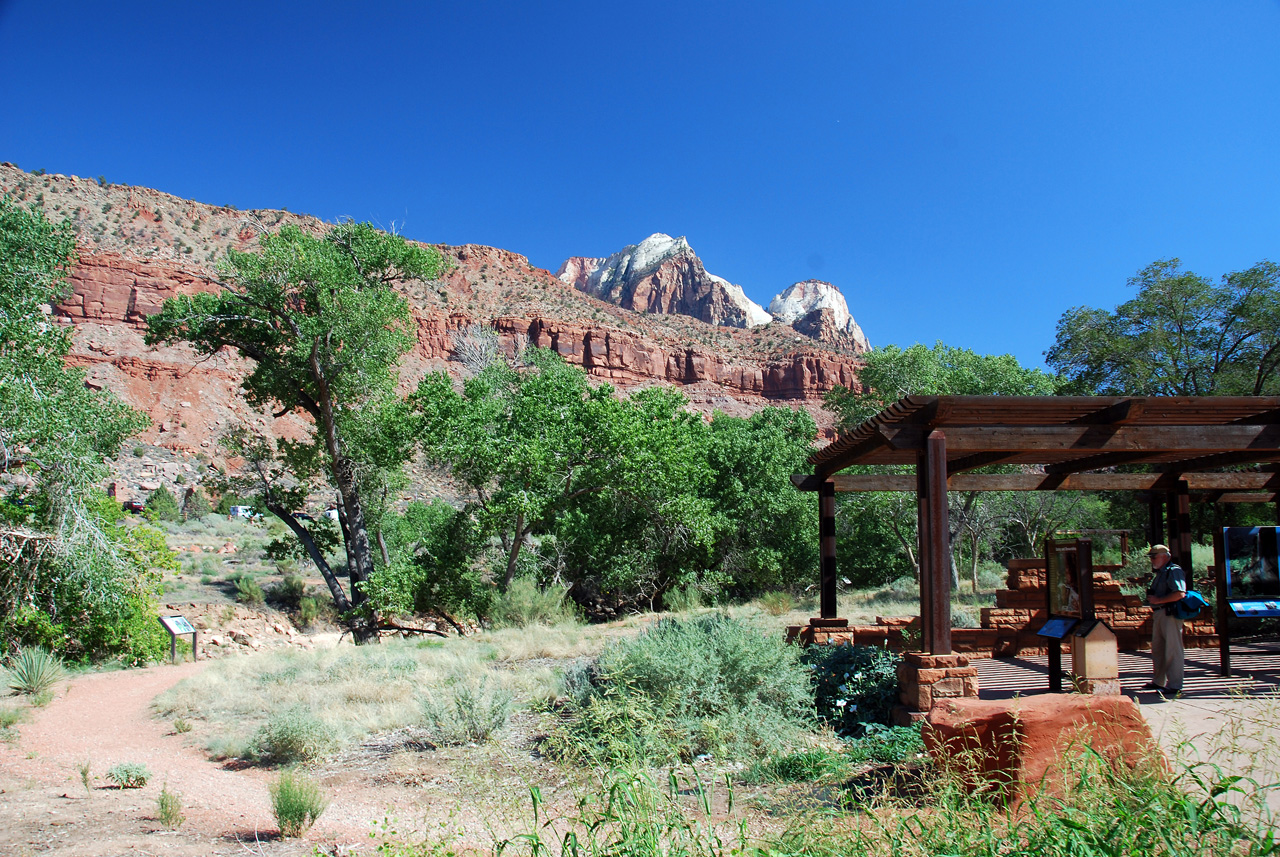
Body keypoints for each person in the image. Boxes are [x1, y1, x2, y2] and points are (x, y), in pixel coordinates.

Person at [1145, 544, 1186, 695]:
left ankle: (1175, 685)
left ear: (1164, 556)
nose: (1152, 560)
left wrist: (1158, 600)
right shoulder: (1161, 573)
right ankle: (1159, 681)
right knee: (1158, 649)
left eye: (1154, 557)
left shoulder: (1174, 571)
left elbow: (1180, 593)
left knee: (1172, 649)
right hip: (1160, 613)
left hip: (1170, 614)